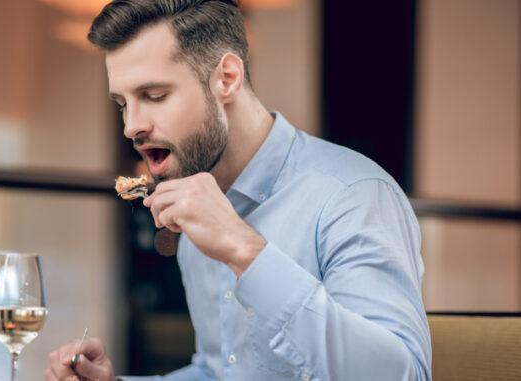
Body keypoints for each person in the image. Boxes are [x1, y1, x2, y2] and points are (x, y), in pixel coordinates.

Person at [45, 0, 432, 380]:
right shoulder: (199, 203)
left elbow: (405, 375)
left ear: (227, 78)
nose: (131, 126)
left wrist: (245, 251)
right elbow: (218, 372)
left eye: (155, 96)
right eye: (122, 104)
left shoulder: (354, 195)